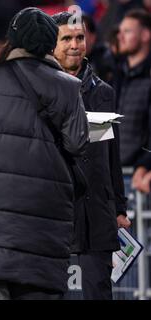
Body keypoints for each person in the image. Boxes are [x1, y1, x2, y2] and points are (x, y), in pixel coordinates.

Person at [0, 7, 89, 300]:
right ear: (51, 44)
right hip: (44, 229)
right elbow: (77, 144)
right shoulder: (70, 88)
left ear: (12, 40)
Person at [52, 11, 131, 300]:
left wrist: (119, 207)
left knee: (98, 290)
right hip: (55, 212)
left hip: (97, 212)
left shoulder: (104, 93)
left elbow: (111, 155)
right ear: (52, 45)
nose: (75, 44)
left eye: (80, 38)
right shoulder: (37, 92)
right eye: (67, 38)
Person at [113, 10, 151, 186]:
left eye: (127, 31)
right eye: (120, 31)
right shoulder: (114, 77)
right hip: (113, 175)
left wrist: (145, 164)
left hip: (140, 178)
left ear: (145, 35)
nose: (120, 36)